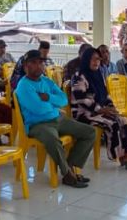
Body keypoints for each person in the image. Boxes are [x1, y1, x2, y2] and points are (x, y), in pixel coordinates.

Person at [14, 50, 95, 188]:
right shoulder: (23, 86)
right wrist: (53, 105)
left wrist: (48, 98)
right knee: (52, 138)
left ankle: (69, 166)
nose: (39, 66)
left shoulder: (46, 81)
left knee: (89, 132)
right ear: (26, 66)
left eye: (40, 62)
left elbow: (63, 99)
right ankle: (67, 175)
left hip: (58, 119)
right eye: (33, 63)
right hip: (38, 124)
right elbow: (39, 109)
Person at [70, 46, 127, 170]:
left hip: (97, 111)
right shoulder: (79, 76)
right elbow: (82, 99)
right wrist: (101, 109)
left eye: (98, 60)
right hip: (83, 113)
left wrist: (111, 107)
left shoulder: (97, 74)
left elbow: (106, 95)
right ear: (86, 59)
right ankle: (120, 157)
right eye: (93, 59)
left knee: (122, 119)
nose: (97, 62)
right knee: (111, 122)